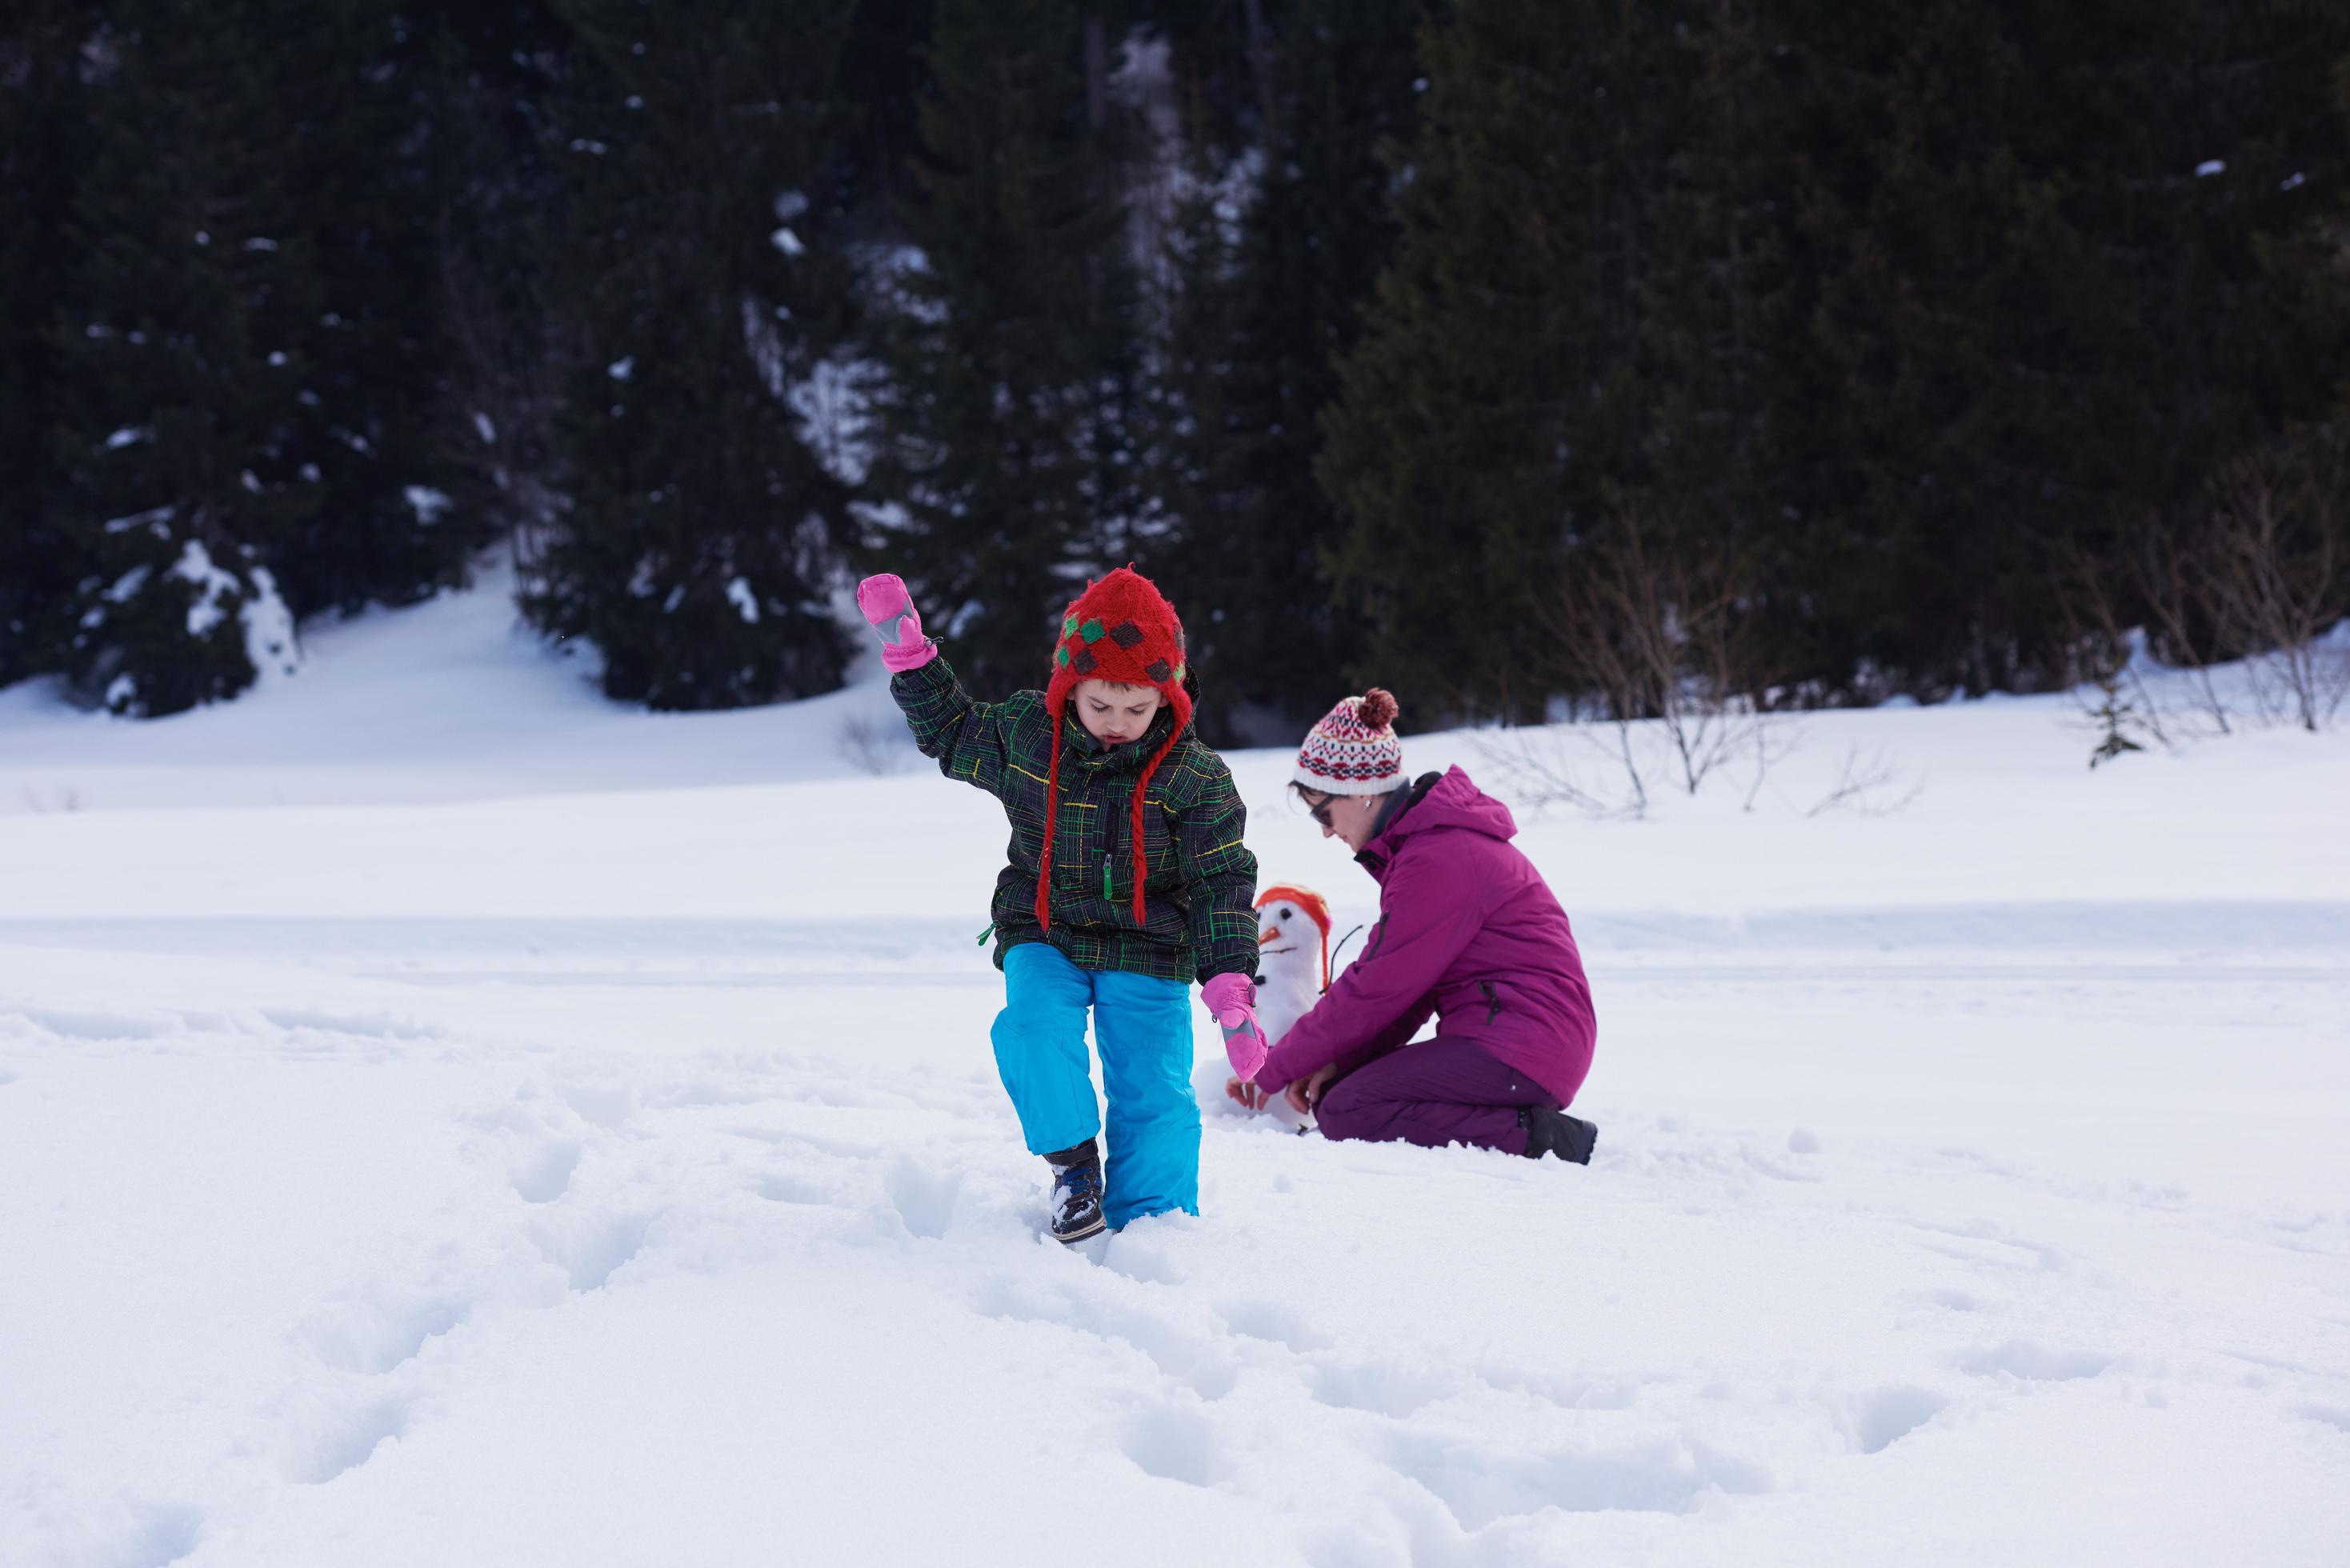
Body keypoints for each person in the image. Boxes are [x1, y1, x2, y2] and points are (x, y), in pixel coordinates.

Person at [856, 567, 1267, 1242]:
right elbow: (954, 733)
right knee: (1031, 1029)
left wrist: (1229, 986)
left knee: (1155, 1093)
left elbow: (1220, 880)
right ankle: (1074, 1169)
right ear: (1069, 687)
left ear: (1166, 696)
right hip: (1044, 928)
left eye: (1137, 710)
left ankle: (1154, 1227)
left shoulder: (1193, 776)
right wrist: (911, 654)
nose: (1117, 725)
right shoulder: (1029, 737)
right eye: (1100, 706)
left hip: (1149, 943)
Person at [1237, 689, 1599, 1162]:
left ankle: (1544, 1138)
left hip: (1524, 1045)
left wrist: (1270, 1066)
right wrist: (1339, 1061)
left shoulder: (1439, 857)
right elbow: (1408, 994)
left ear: (1360, 792)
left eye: (1323, 811)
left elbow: (1376, 987)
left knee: (1350, 1110)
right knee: (1343, 1095)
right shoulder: (1426, 848)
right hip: (1518, 1042)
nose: (1325, 829)